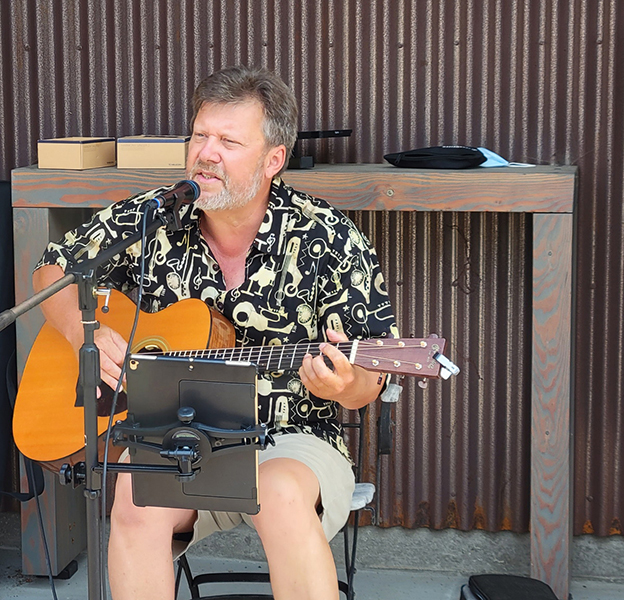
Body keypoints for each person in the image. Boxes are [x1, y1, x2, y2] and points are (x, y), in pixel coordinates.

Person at [32, 65, 398, 600]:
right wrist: (83, 334)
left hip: (292, 436)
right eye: (200, 136)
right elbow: (54, 269)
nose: (207, 153)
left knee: (280, 495)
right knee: (134, 500)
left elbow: (371, 372)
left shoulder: (329, 236)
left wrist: (343, 385)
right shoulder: (155, 218)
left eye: (228, 141)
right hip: (174, 432)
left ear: (274, 159)